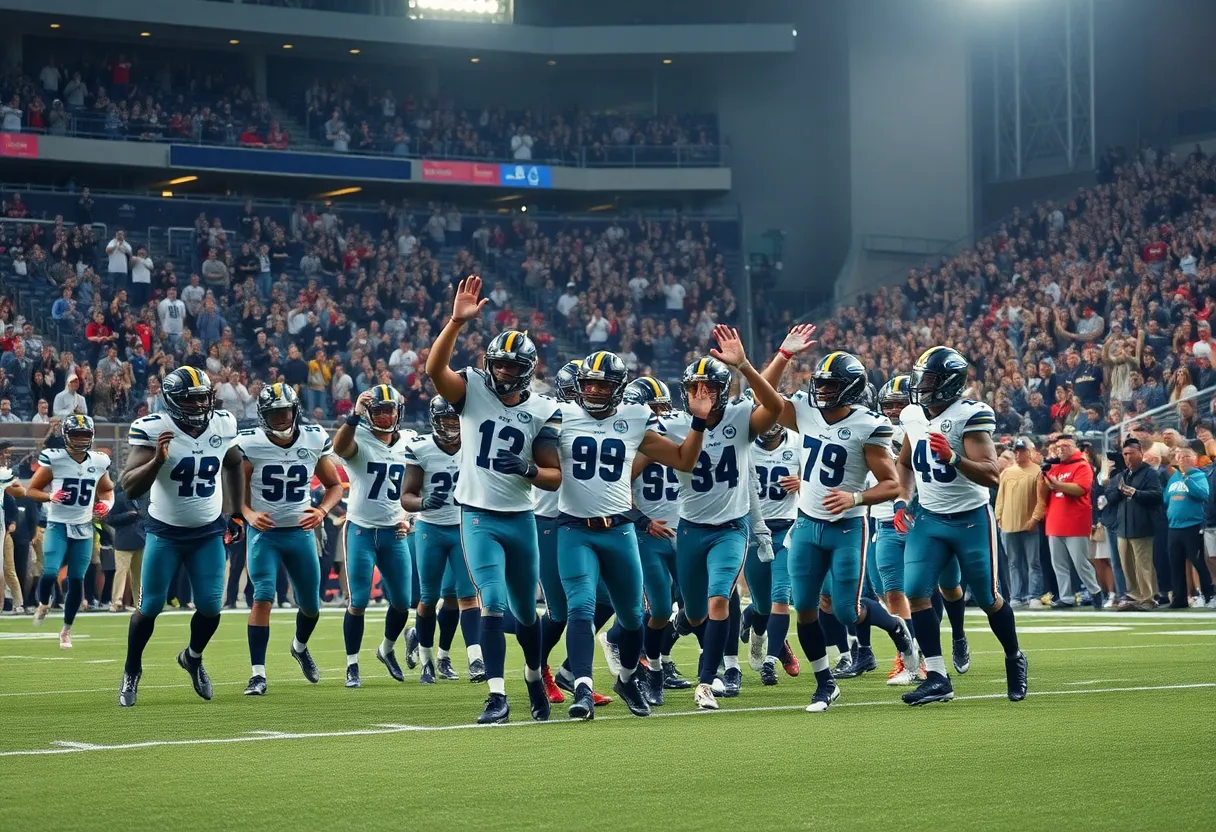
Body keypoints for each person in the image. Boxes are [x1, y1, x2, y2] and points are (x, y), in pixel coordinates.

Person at [425, 277, 563, 725]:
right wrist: (455, 322)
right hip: (478, 515)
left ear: (525, 369)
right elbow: (434, 371)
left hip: (520, 518)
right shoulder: (472, 389)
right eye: (497, 365)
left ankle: (531, 676)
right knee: (492, 601)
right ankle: (496, 695)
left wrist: (526, 469)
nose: (501, 372)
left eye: (510, 367)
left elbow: (553, 476)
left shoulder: (542, 409)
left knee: (526, 612)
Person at [760, 339, 915, 712]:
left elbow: (893, 484)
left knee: (846, 610)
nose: (822, 389)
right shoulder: (806, 411)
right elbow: (765, 399)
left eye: (830, 384)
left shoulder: (868, 424)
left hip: (847, 527)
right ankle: (824, 684)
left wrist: (856, 498)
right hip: (807, 525)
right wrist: (771, 359)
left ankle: (897, 628)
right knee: (807, 609)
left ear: (849, 387)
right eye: (821, 382)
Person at [553, 350, 705, 719]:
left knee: (635, 616)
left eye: (602, 385)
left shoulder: (634, 419)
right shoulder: (561, 416)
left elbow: (684, 460)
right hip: (574, 529)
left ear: (618, 389)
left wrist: (699, 420)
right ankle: (583, 689)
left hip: (618, 529)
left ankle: (625, 679)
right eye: (587, 383)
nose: (592, 390)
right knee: (581, 608)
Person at [661, 325, 785, 710]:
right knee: (695, 613)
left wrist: (746, 366)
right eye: (695, 389)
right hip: (690, 529)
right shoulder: (676, 425)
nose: (701, 395)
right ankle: (659, 652)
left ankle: (705, 682)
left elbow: (776, 408)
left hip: (731, 529)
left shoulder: (739, 416)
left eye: (709, 388)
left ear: (721, 391)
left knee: (720, 601)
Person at [896, 345, 1027, 705]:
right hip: (929, 518)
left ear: (949, 383)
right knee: (916, 592)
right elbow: (905, 462)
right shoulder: (912, 415)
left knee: (987, 597)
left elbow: (992, 474)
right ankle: (938, 677)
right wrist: (902, 498)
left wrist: (953, 457)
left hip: (970, 520)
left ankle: (1014, 657)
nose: (921, 386)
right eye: (921, 378)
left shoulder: (970, 415)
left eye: (930, 380)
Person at [117, 368, 244, 707]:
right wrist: (157, 460)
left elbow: (233, 463)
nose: (201, 404)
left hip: (207, 532)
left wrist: (235, 512)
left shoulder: (222, 424)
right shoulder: (154, 428)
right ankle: (132, 669)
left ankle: (193, 656)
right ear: (173, 401)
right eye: (193, 399)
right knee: (150, 606)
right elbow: (129, 485)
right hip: (166, 532)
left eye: (205, 397)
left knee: (210, 607)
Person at [236, 384, 344, 696]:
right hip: (265, 534)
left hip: (300, 532)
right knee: (263, 596)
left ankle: (299, 647)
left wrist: (321, 511)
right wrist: (248, 514)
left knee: (311, 606)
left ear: (295, 411)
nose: (282, 418)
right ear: (262, 415)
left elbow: (334, 485)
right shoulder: (250, 444)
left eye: (286, 411)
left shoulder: (312, 438)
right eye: (274, 413)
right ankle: (258, 674)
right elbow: (235, 490)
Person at [330, 384, 415, 689]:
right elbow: (340, 448)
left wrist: (410, 517)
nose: (383, 415)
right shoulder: (358, 437)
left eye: (388, 409)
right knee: (359, 600)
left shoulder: (409, 442)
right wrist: (352, 416)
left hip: (394, 531)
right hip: (361, 529)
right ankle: (352, 665)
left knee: (403, 602)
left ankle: (387, 649)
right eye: (377, 410)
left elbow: (418, 484)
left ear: (398, 411)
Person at [401, 396, 484, 684]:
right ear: (435, 421)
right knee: (429, 597)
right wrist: (424, 502)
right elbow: (407, 497)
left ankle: (475, 659)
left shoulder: (475, 444)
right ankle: (426, 660)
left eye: (455, 419)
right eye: (446, 420)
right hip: (431, 530)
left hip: (463, 528)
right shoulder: (422, 448)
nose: (451, 425)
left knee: (466, 596)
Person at [25, 416, 115, 648]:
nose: (80, 439)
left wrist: (106, 505)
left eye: (85, 435)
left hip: (84, 528)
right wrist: (50, 496)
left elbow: (107, 491)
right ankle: (43, 603)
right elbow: (32, 490)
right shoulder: (55, 459)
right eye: (76, 435)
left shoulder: (98, 460)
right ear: (66, 436)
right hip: (58, 525)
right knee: (49, 572)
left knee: (77, 580)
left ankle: (66, 630)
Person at [742, 411, 799, 687]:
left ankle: (770, 661)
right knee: (763, 603)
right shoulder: (744, 445)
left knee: (780, 598)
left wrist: (804, 481)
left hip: (787, 528)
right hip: (755, 531)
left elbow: (823, 478)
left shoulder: (798, 443)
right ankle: (756, 623)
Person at [1042, 435, 1104, 608]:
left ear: (1074, 447)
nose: (1061, 449)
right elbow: (1043, 490)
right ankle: (1066, 596)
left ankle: (1095, 591)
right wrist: (1043, 474)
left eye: (1065, 446)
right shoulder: (1054, 467)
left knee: (1080, 561)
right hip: (1054, 519)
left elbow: (1081, 489)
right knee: (1059, 563)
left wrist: (1059, 485)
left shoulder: (1082, 466)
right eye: (1059, 446)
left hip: (1075, 520)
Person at [1106, 437, 1163, 611]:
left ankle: (1148, 598)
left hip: (1142, 525)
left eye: (1131, 453)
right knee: (1127, 564)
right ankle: (1135, 595)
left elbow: (1156, 495)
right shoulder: (1122, 475)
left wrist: (1136, 493)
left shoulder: (1150, 473)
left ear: (1141, 453)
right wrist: (1118, 490)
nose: (1128, 457)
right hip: (1123, 527)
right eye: (1125, 454)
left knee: (1143, 564)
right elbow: (1109, 496)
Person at [996, 437, 1047, 607]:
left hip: (1028, 524)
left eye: (1021, 450)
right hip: (1008, 525)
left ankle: (1034, 595)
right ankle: (1016, 595)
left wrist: (1035, 518)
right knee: (1013, 562)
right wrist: (998, 516)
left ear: (1028, 451)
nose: (1017, 453)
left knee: (1033, 562)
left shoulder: (1037, 471)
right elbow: (1000, 497)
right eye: (1015, 451)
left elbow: (1041, 499)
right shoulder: (1007, 472)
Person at [1163, 445, 1215, 608]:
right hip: (1174, 527)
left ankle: (1209, 595)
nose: (1182, 459)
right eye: (1180, 457)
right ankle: (1180, 598)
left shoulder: (1199, 475)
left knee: (1198, 562)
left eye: (1186, 456)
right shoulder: (1174, 477)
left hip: (1192, 525)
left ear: (1194, 459)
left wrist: (1187, 479)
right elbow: (1166, 498)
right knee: (1176, 563)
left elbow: (1202, 494)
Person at [108, 483, 145, 612]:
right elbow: (110, 519)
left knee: (138, 574)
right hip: (124, 541)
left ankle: (139, 603)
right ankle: (117, 601)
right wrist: (127, 515)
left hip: (140, 539)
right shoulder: (118, 498)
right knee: (121, 572)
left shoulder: (142, 498)